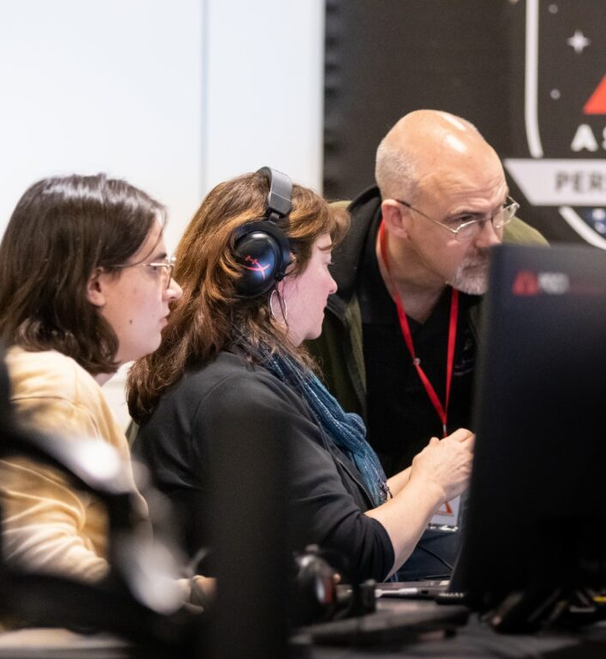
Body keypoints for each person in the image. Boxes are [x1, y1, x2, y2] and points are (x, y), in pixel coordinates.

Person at [127, 169, 474, 583]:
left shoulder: (236, 374)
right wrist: (432, 483)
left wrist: (425, 475)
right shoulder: (236, 394)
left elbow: (336, 517)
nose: (331, 286)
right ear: (272, 269)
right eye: (325, 262)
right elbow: (353, 556)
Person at [307, 110, 546, 478]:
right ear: (398, 218)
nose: (492, 240)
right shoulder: (314, 267)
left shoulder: (524, 263)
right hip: (357, 510)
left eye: (499, 210)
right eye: (465, 220)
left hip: (474, 505)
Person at [0, 174, 183, 584]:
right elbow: (39, 565)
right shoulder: (52, 381)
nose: (173, 289)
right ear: (95, 284)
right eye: (157, 267)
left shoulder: (35, 372)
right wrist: (182, 606)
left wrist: (190, 594)